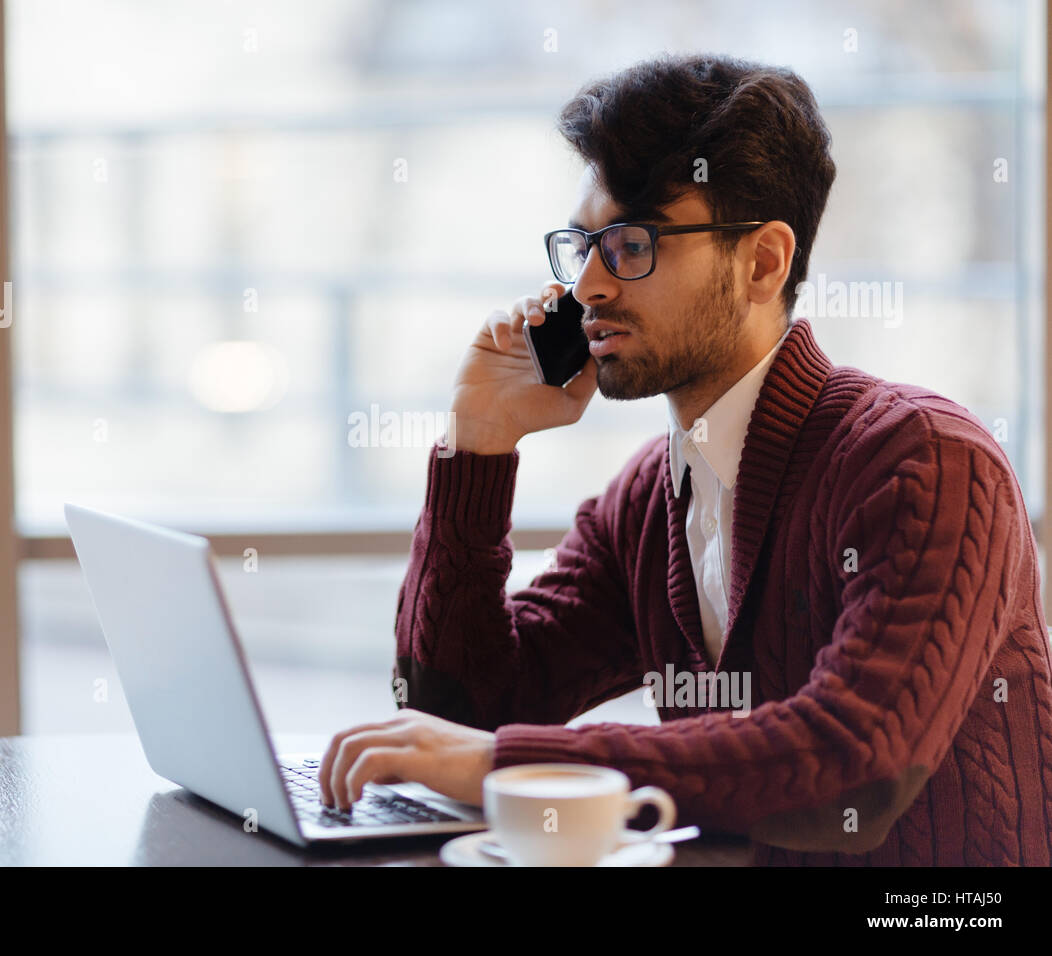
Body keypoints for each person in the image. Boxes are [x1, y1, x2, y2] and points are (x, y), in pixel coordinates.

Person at [317, 53, 1052, 865]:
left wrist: (511, 764)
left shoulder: (925, 462)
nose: (588, 286)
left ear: (764, 262)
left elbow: (854, 763)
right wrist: (478, 443)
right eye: (583, 244)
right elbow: (461, 711)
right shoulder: (647, 498)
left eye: (631, 241)